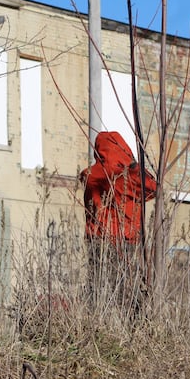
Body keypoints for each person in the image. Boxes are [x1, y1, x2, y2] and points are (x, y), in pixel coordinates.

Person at [79, 131, 157, 309]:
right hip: (127, 240)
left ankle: (99, 320)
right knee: (127, 289)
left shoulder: (91, 175)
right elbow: (153, 188)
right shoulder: (128, 175)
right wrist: (137, 167)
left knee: (98, 287)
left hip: (97, 240)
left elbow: (85, 176)